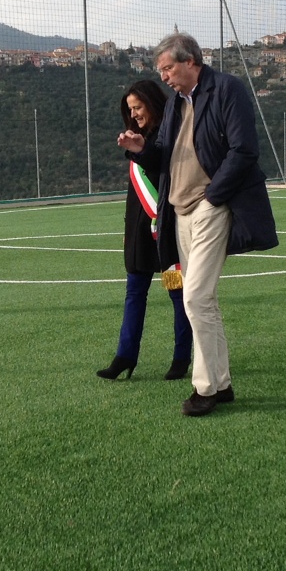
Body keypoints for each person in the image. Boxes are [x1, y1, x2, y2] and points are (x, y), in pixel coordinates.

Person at [117, 32, 278, 417]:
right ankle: (221, 384)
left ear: (190, 61)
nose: (164, 77)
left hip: (210, 207)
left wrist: (213, 195)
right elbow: (163, 155)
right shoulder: (176, 103)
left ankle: (204, 388)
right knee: (204, 300)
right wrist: (141, 150)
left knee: (194, 297)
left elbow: (244, 150)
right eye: (161, 71)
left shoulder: (226, 90)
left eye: (167, 68)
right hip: (179, 211)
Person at [97, 80, 193, 382]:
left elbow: (162, 165)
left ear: (152, 103)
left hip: (165, 233)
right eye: (130, 109)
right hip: (139, 235)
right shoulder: (135, 138)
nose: (134, 114)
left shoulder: (172, 132)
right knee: (134, 293)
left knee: (177, 294)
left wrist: (141, 150)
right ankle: (124, 357)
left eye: (138, 107)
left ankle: (181, 357)